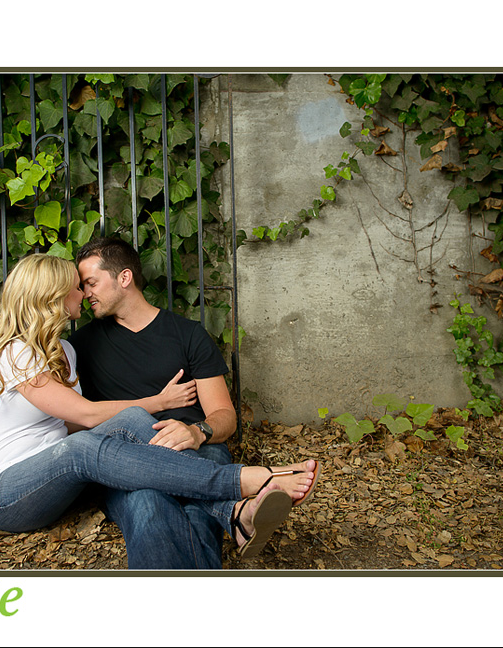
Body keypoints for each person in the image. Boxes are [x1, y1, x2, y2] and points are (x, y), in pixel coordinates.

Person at [0, 253, 320, 562]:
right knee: (86, 449)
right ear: (51, 295)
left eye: (86, 283)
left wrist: (144, 441)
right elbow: (85, 416)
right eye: (76, 286)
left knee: (126, 423)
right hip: (8, 493)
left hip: (58, 475)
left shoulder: (67, 352)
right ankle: (246, 482)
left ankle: (234, 513)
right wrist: (159, 403)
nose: (83, 293)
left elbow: (73, 426)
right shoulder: (15, 352)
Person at [69, 237, 321, 569]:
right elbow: (76, 420)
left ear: (124, 278)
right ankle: (236, 514)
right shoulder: (81, 345)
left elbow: (225, 416)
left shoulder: (188, 335)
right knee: (147, 505)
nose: (85, 294)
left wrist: (198, 431)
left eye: (91, 283)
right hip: (129, 458)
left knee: (191, 509)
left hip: (196, 446)